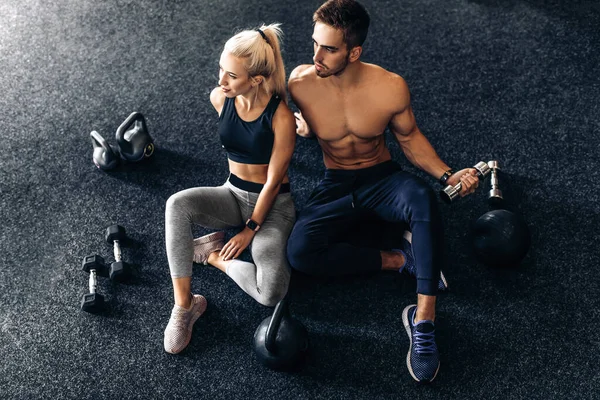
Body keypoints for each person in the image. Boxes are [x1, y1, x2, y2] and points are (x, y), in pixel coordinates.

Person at [286, 0, 479, 383]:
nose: (316, 56)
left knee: (423, 200)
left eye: (329, 48)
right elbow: (282, 119)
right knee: (300, 253)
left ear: (354, 52)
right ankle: (398, 258)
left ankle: (423, 321)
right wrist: (306, 130)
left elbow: (409, 139)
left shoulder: (389, 86)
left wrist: (446, 175)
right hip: (336, 182)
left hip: (381, 178)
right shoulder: (300, 84)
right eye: (314, 44)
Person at [163, 24, 296, 355]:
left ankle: (212, 256)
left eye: (231, 75)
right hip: (233, 194)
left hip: (274, 207)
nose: (221, 80)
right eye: (221, 69)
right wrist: (243, 224)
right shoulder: (220, 98)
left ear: (256, 79)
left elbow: (273, 181)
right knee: (176, 204)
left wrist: (249, 231)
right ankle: (185, 305)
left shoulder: (280, 117)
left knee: (271, 294)